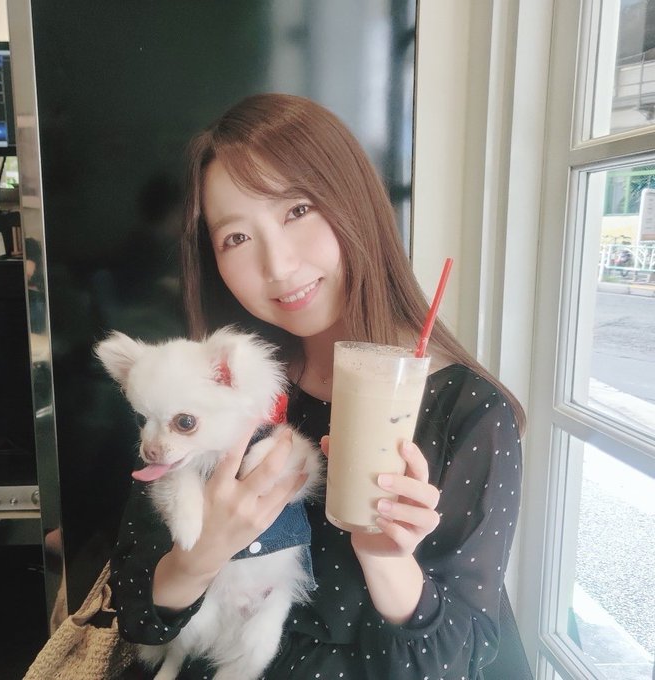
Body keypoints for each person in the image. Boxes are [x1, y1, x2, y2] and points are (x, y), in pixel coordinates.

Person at [110, 93, 526, 679]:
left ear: (353, 202)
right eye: (236, 238)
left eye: (298, 210)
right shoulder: (210, 391)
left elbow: (462, 658)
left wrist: (386, 559)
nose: (278, 266)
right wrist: (202, 554)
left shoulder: (469, 412)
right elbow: (134, 613)